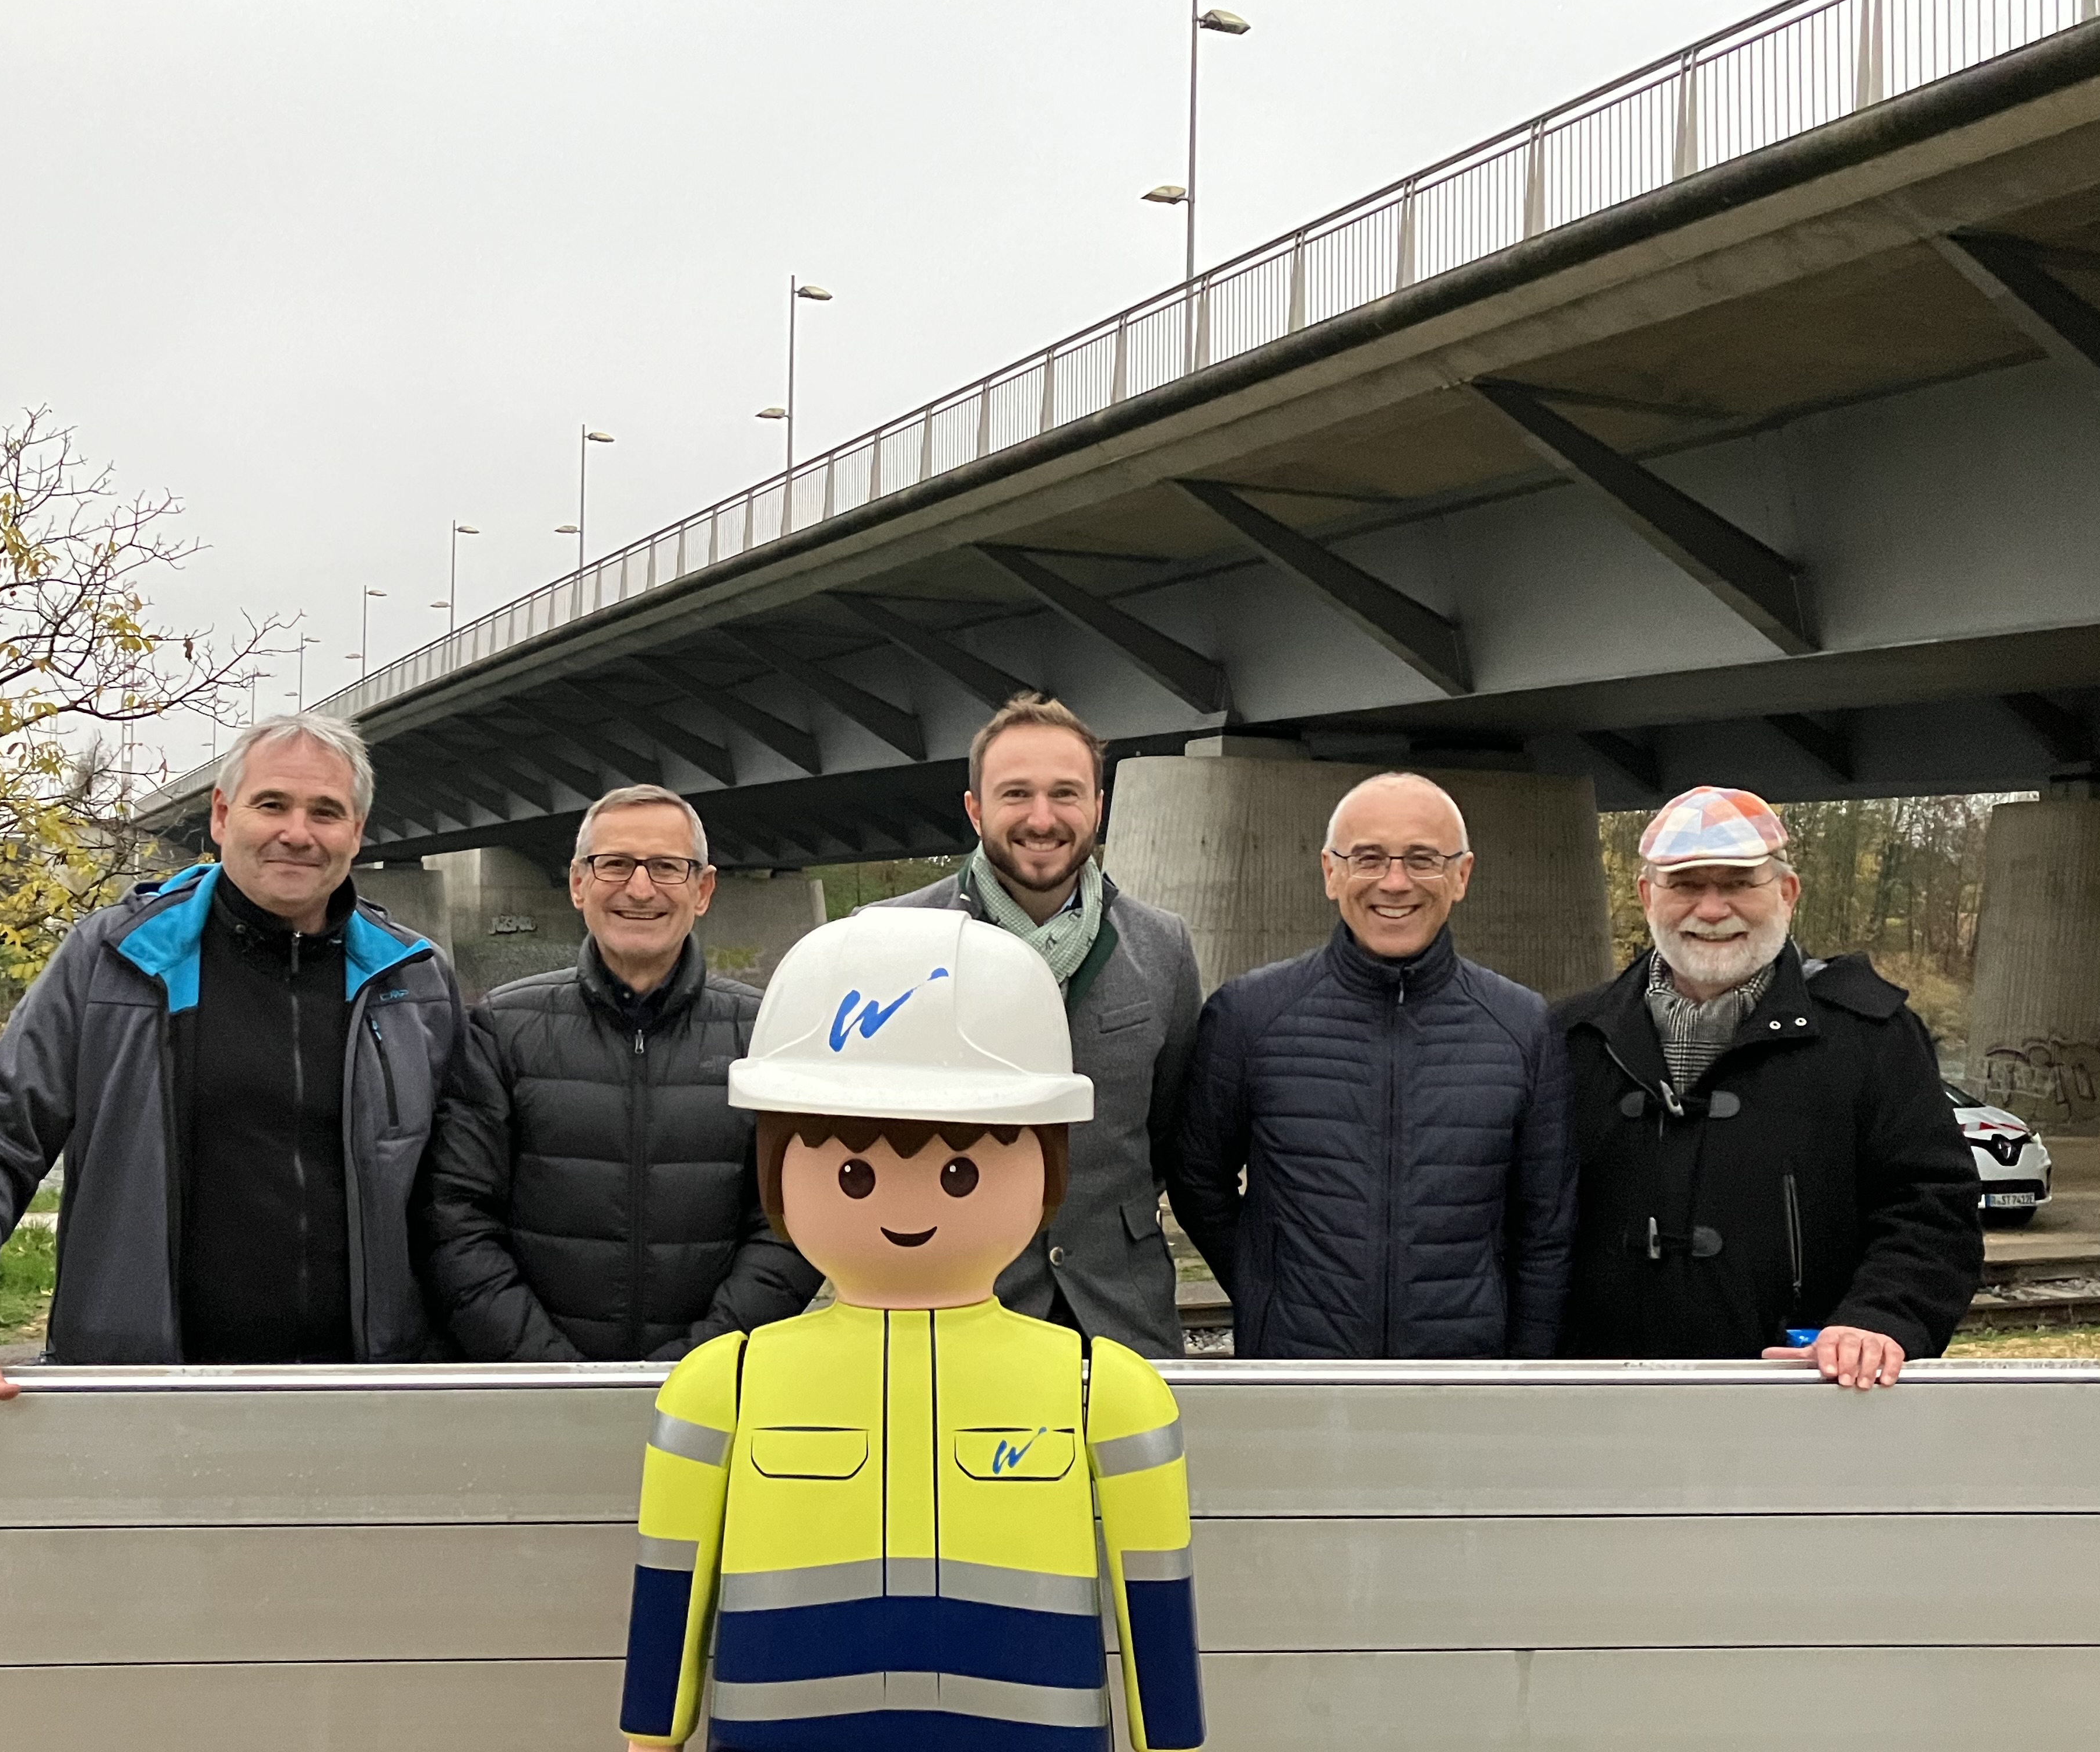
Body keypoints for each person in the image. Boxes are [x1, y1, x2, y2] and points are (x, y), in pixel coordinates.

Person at [620, 906, 1204, 1752]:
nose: (907, 1202)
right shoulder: (721, 1388)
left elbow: (1156, 1592)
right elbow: (669, 1578)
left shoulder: (1105, 1392)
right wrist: (652, 1728)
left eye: (962, 1168)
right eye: (852, 1170)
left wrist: (1173, 1734)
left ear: (1047, 1165)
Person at [0, 715, 464, 1449]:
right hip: (139, 1402)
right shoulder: (115, 958)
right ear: (222, 817)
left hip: (364, 1405)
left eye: (326, 812)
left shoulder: (413, 980)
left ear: (358, 832)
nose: (298, 832)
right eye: (272, 804)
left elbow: (464, 1197)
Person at [1555, 786, 1982, 1387]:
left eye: (1736, 883)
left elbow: (1931, 1207)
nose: (1710, 909)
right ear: (1647, 896)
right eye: (1685, 885)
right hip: (1602, 1405)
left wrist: (1881, 1318)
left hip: (1805, 1398)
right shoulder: (1572, 1039)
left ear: (1787, 893)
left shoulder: (1871, 1036)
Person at [1170, 772, 1573, 1358]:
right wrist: (1269, 1291)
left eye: (1422, 859)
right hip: (1300, 1376)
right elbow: (1196, 1177)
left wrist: (1522, 1380)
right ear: (1331, 873)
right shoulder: (1248, 1016)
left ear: (1461, 876)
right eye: (1369, 858)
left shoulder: (1522, 1027)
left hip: (1464, 1383)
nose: (1395, 882)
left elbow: (1547, 1230)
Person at [420, 785, 818, 1361]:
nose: (639, 888)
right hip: (537, 1397)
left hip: (714, 1395)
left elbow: (789, 1227)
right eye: (616, 864)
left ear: (702, 889)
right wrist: (553, 1374)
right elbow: (456, 1222)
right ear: (579, 883)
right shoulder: (501, 1030)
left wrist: (695, 1368)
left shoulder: (765, 1037)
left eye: (666, 867)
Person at [884, 695, 1202, 1358]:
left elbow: (1167, 1133)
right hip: (951, 1316)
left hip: (1121, 1320)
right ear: (975, 810)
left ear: (1098, 807)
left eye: (1065, 793)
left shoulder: (1162, 947)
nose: (1042, 818)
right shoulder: (893, 941)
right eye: (1016, 794)